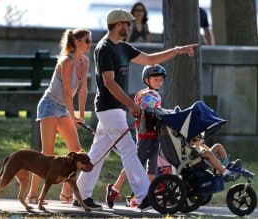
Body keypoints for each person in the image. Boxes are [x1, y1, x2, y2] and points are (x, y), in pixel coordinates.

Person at [74, 8, 198, 211]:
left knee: (98, 154)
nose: (129, 26)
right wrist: (132, 104)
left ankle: (80, 194)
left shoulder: (123, 47)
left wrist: (178, 50)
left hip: (115, 109)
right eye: (127, 23)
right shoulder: (105, 48)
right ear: (117, 24)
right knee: (129, 151)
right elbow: (109, 82)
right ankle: (143, 196)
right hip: (108, 107)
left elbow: (150, 60)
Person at [26, 28, 92, 205]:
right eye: (87, 41)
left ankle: (65, 193)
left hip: (63, 108)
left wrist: (81, 114)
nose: (90, 44)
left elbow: (83, 89)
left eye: (90, 40)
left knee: (76, 150)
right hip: (49, 105)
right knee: (47, 153)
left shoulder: (84, 61)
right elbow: (67, 92)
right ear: (77, 42)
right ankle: (32, 195)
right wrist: (72, 116)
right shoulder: (66, 61)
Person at [105, 64, 166, 209]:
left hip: (155, 136)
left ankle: (142, 197)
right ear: (146, 80)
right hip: (145, 136)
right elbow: (149, 109)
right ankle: (114, 189)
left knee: (151, 168)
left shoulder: (155, 94)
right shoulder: (144, 95)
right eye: (156, 79)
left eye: (160, 80)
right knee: (132, 165)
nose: (159, 82)